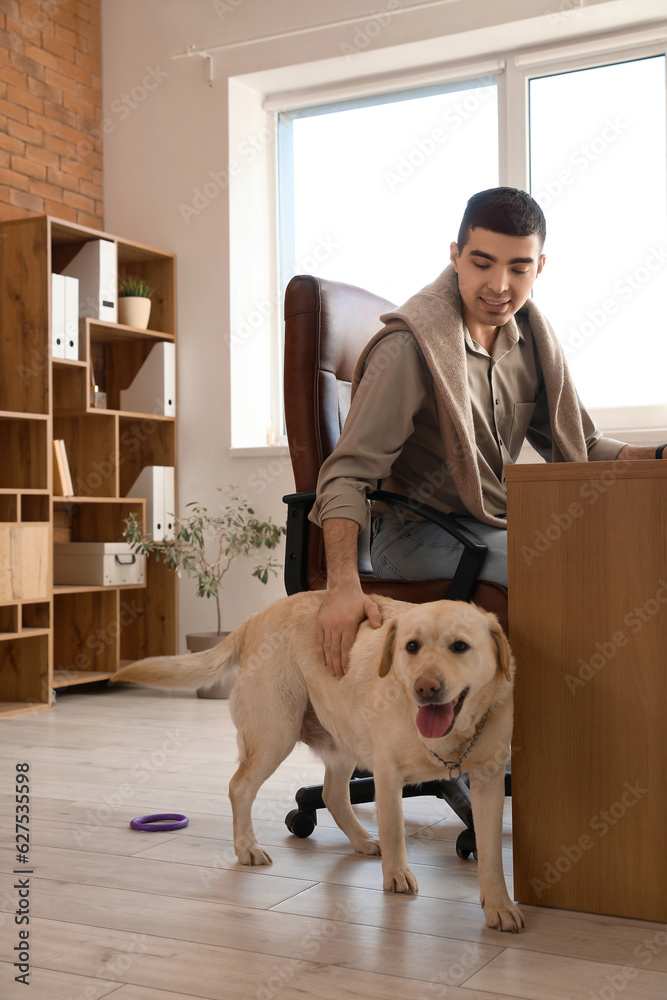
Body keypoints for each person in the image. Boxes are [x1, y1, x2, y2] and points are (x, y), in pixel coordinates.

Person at [309, 187, 667, 677]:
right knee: (570, 570)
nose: (500, 285)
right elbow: (346, 476)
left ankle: (587, 745)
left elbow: (580, 446)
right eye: (482, 262)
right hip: (412, 537)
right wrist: (343, 586)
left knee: (623, 553)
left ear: (539, 268)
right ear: (455, 257)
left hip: (493, 526)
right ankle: (547, 741)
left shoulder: (530, 343)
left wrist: (660, 453)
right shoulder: (411, 349)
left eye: (519, 268)